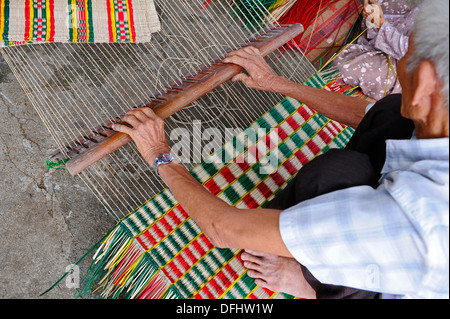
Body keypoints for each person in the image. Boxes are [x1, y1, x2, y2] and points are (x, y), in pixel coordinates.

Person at [112, 0, 449, 299]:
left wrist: (160, 154)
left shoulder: (410, 224)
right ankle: (308, 243)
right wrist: (277, 83)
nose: (401, 58)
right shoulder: (436, 110)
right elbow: (369, 112)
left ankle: (310, 281)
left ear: (425, 85)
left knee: (328, 173)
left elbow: (223, 230)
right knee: (389, 116)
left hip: (400, 278)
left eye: (406, 57)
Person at [335, 0, 421, 100]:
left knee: (345, 68)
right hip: (399, 33)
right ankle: (374, 37)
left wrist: (380, 24)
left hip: (406, 71)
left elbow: (414, 53)